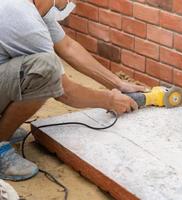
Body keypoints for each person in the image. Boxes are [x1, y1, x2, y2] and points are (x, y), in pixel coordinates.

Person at [0, 0, 146, 181]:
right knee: (45, 70)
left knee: (39, 68)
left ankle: (4, 126)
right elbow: (64, 90)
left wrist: (117, 84)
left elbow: (68, 47)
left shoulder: (37, 8)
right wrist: (109, 100)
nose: (72, 2)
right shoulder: (19, 13)